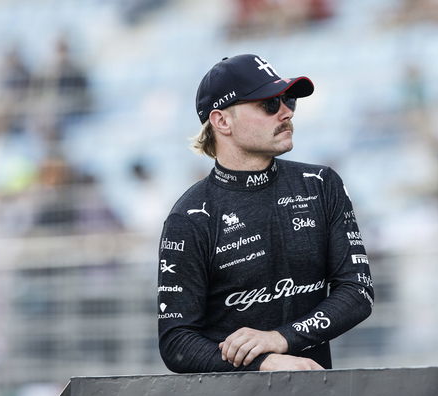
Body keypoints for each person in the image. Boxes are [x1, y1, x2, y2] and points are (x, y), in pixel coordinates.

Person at [157, 54, 374, 373]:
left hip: (314, 390)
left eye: (288, 101)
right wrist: (262, 363)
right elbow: (176, 343)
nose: (286, 112)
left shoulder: (320, 185)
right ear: (222, 122)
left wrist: (282, 338)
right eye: (269, 104)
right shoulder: (189, 216)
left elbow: (358, 291)